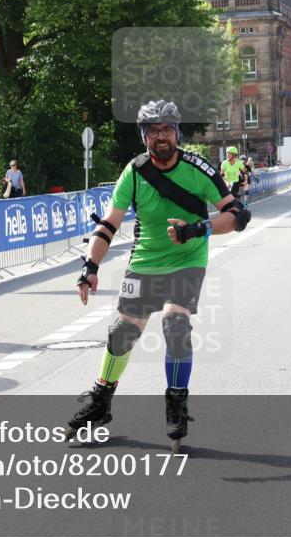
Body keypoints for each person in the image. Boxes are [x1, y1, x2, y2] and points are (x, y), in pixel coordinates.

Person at [69, 100, 251, 449]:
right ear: (144, 137)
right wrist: (90, 266)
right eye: (153, 131)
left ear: (176, 132)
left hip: (188, 258)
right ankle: (101, 401)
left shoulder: (198, 169)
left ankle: (176, 404)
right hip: (146, 261)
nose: (161, 136)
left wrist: (197, 229)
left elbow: (236, 216)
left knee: (175, 325)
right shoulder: (134, 172)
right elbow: (109, 223)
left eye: (166, 129)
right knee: (123, 333)